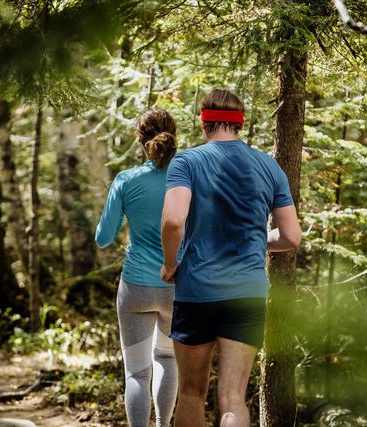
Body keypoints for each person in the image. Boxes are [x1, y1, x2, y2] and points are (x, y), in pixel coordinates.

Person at [160, 88, 302, 427]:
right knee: (233, 398)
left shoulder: (187, 161)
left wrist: (169, 263)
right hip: (247, 292)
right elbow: (292, 237)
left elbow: (173, 220)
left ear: (203, 122)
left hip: (197, 290)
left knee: (192, 393)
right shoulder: (269, 166)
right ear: (240, 123)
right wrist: (255, 243)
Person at [95, 109, 179, 427]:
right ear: (173, 136)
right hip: (178, 286)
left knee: (137, 373)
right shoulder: (189, 179)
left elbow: (104, 238)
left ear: (140, 142)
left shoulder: (126, 180)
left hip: (136, 287)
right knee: (168, 359)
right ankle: (162, 425)